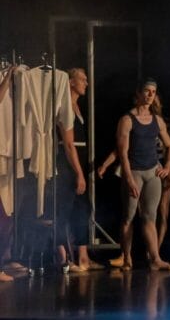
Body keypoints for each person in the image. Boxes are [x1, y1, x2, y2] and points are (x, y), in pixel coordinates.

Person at [103, 79, 170, 270]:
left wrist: (167, 166)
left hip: (153, 172)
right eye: (147, 91)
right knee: (128, 216)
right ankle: (127, 258)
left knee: (150, 217)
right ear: (138, 94)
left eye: (153, 91)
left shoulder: (157, 121)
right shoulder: (127, 120)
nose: (150, 95)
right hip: (134, 172)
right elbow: (122, 153)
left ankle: (156, 259)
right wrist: (128, 178)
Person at [55, 68, 99, 272]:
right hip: (67, 163)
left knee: (83, 209)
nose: (86, 84)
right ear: (71, 82)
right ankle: (63, 258)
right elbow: (69, 143)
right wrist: (79, 173)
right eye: (83, 80)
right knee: (63, 209)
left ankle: (83, 257)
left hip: (79, 160)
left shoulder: (77, 106)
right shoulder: (63, 105)